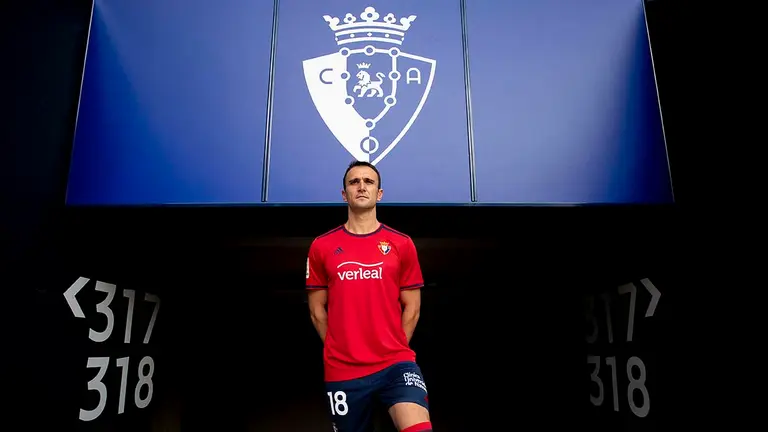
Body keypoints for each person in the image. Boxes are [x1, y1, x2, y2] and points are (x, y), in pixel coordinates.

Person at [306, 161, 433, 432]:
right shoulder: (321, 246)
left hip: (396, 364)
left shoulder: (402, 244)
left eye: (368, 181)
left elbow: (412, 308)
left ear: (379, 193)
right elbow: (317, 311)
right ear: (344, 195)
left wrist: (393, 347)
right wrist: (342, 349)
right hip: (343, 371)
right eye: (354, 182)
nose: (361, 186)